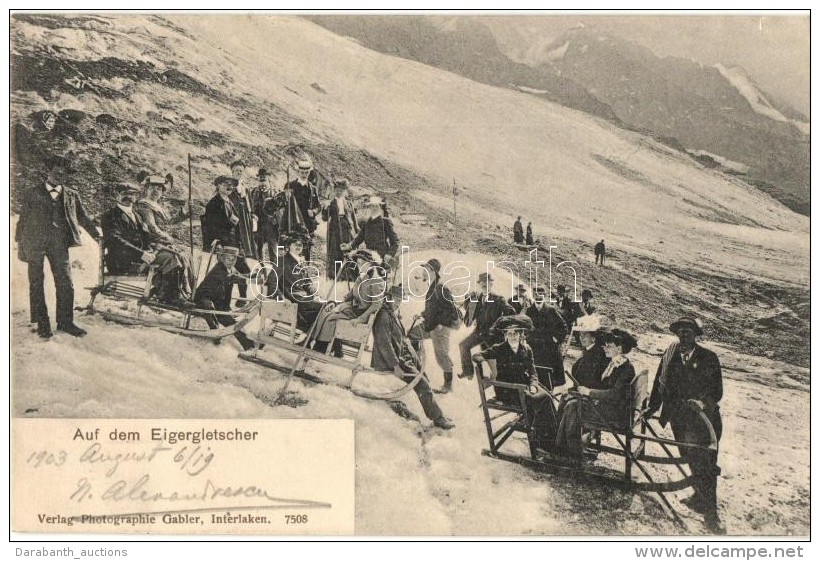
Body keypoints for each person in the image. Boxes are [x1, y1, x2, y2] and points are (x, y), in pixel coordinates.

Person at [647, 317, 725, 534]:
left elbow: (717, 391)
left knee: (706, 465)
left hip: (703, 421)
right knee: (691, 459)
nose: (683, 337)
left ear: (696, 336)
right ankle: (699, 498)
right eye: (680, 333)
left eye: (688, 334)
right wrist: (652, 408)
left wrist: (701, 402)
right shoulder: (670, 356)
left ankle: (711, 515)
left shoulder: (709, 358)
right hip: (679, 421)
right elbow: (658, 384)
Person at [15, 154, 100, 338]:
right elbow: (23, 220)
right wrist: (20, 245)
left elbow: (83, 218)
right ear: (48, 172)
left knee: (65, 282)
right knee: (36, 282)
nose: (59, 175)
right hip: (34, 243)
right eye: (56, 171)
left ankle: (65, 322)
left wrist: (97, 236)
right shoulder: (32, 192)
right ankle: (42, 323)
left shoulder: (71, 195)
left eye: (63, 173)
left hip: (60, 244)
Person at [372, 284, 455, 430]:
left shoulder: (392, 313)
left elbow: (399, 337)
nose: (397, 303)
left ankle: (435, 410)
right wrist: (395, 366)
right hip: (392, 360)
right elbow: (384, 344)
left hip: (402, 354)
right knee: (421, 382)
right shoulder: (384, 317)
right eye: (395, 299)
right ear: (389, 298)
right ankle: (437, 418)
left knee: (425, 376)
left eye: (400, 300)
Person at [472, 315, 558, 450]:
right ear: (505, 335)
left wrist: (533, 385)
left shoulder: (526, 349)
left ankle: (549, 440)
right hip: (507, 392)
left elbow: (532, 370)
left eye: (516, 333)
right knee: (544, 400)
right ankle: (546, 443)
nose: (513, 336)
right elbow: (476, 356)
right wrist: (485, 362)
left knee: (546, 398)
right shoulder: (499, 348)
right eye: (509, 333)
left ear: (520, 334)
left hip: (524, 388)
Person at [100, 183, 192, 308]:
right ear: (116, 195)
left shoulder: (136, 215)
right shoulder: (109, 215)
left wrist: (161, 244)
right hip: (121, 261)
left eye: (132, 194)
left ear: (136, 196)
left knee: (175, 255)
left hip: (137, 257)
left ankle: (169, 293)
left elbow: (146, 235)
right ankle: (170, 297)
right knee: (170, 259)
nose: (129, 197)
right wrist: (142, 253)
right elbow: (115, 241)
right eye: (125, 194)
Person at [555, 328, 639, 464]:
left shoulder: (625, 368)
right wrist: (581, 391)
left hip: (616, 413)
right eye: (605, 345)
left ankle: (572, 455)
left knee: (573, 406)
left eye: (609, 346)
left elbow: (615, 394)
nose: (605, 348)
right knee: (571, 400)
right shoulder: (616, 363)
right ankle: (561, 445)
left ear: (620, 348)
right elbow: (607, 388)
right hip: (612, 407)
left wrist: (589, 392)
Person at [311, 249, 386, 355]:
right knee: (326, 310)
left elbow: (376, 304)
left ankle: (322, 346)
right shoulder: (361, 277)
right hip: (351, 308)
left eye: (363, 263)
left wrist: (360, 319)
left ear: (372, 264)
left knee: (330, 317)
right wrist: (335, 303)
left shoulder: (376, 280)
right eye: (358, 263)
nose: (360, 265)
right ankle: (325, 344)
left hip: (360, 313)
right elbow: (349, 296)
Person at [133, 174, 195, 300]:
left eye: (159, 189)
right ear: (146, 189)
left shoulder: (157, 206)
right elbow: (152, 228)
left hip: (161, 243)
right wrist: (169, 238)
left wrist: (185, 209)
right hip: (150, 244)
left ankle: (189, 292)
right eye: (153, 188)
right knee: (178, 256)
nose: (156, 191)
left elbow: (169, 222)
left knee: (187, 254)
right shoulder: (143, 205)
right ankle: (171, 294)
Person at [407, 259, 460, 394]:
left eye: (425, 270)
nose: (423, 273)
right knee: (412, 334)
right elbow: (434, 309)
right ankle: (416, 367)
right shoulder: (433, 287)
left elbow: (451, 311)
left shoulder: (440, 288)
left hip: (440, 328)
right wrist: (422, 314)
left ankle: (448, 386)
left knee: (441, 356)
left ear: (432, 271)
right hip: (430, 325)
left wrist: (441, 325)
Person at [193, 246, 256, 351]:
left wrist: (252, 276)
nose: (231, 262)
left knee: (231, 323)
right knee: (211, 310)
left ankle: (248, 344)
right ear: (222, 258)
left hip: (218, 301)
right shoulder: (219, 269)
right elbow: (232, 279)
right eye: (228, 259)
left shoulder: (231, 269)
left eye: (234, 259)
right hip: (204, 298)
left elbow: (239, 278)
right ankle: (215, 331)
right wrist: (251, 279)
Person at [202, 175, 252, 304]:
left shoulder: (229, 201)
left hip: (234, 243)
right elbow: (211, 225)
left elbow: (236, 223)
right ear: (218, 185)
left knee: (241, 271)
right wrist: (217, 241)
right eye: (225, 183)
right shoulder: (215, 202)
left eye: (231, 184)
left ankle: (240, 299)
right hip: (225, 243)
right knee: (227, 273)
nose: (229, 186)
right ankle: (223, 304)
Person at [458, 272, 514, 380]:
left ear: (491, 284)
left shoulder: (498, 298)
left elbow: (511, 312)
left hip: (494, 335)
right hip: (479, 332)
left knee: (497, 364)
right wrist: (468, 299)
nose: (484, 284)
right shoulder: (477, 298)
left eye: (487, 282)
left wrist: (500, 326)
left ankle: (501, 381)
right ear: (479, 284)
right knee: (463, 345)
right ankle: (468, 372)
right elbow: (469, 314)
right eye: (482, 282)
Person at [267, 232, 324, 334]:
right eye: (295, 244)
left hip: (303, 299)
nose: (298, 247)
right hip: (292, 299)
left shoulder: (300, 262)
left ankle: (311, 339)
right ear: (289, 246)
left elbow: (306, 282)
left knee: (327, 307)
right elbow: (272, 282)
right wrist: (281, 299)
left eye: (300, 245)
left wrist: (311, 288)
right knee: (324, 308)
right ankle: (313, 340)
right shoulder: (282, 261)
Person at [525, 286, 569, 389]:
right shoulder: (529, 311)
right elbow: (524, 328)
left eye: (541, 295)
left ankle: (548, 397)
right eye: (536, 295)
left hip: (548, 349)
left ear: (545, 296)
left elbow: (563, 327)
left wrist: (556, 339)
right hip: (534, 349)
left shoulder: (551, 310)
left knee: (548, 379)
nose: (538, 297)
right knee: (533, 376)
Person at [342, 196, 400, 270]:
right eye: (372, 206)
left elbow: (395, 241)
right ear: (370, 207)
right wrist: (349, 246)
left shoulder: (386, 222)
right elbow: (358, 239)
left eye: (376, 206)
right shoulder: (367, 223)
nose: (374, 208)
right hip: (368, 255)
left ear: (380, 207)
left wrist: (389, 254)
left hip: (382, 256)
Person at [285, 159, 322, 261]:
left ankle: (304, 271)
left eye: (306, 172)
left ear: (309, 173)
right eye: (302, 172)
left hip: (307, 224)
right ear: (298, 172)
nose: (304, 174)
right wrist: (286, 197)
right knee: (292, 246)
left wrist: (314, 212)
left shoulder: (313, 188)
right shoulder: (290, 185)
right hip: (293, 222)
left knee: (306, 248)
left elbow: (319, 206)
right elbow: (283, 204)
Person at [322, 178, 359, 280]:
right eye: (337, 190)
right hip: (335, 229)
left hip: (346, 229)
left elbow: (353, 217)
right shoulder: (331, 203)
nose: (339, 192)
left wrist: (356, 229)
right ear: (334, 190)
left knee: (348, 250)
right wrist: (325, 208)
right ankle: (335, 274)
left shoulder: (348, 202)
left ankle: (349, 274)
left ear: (344, 191)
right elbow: (325, 218)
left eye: (341, 190)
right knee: (335, 251)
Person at [570, 315, 611, 389]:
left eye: (585, 335)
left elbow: (593, 379)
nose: (581, 338)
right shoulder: (588, 350)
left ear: (593, 338)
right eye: (580, 334)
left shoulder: (597, 354)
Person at [229, 159, 258, 260]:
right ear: (232, 171)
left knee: (245, 236)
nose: (239, 173)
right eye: (237, 170)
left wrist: (253, 213)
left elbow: (249, 201)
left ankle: (246, 254)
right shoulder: (229, 185)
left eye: (241, 171)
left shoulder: (244, 186)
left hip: (244, 215)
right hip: (233, 213)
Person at [250, 168, 280, 263]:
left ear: (269, 179)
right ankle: (260, 270)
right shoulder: (253, 192)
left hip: (271, 225)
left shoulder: (275, 192)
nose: (262, 181)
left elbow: (280, 209)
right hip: (258, 225)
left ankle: (275, 271)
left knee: (273, 249)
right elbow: (250, 207)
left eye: (264, 179)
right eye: (260, 179)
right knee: (257, 250)